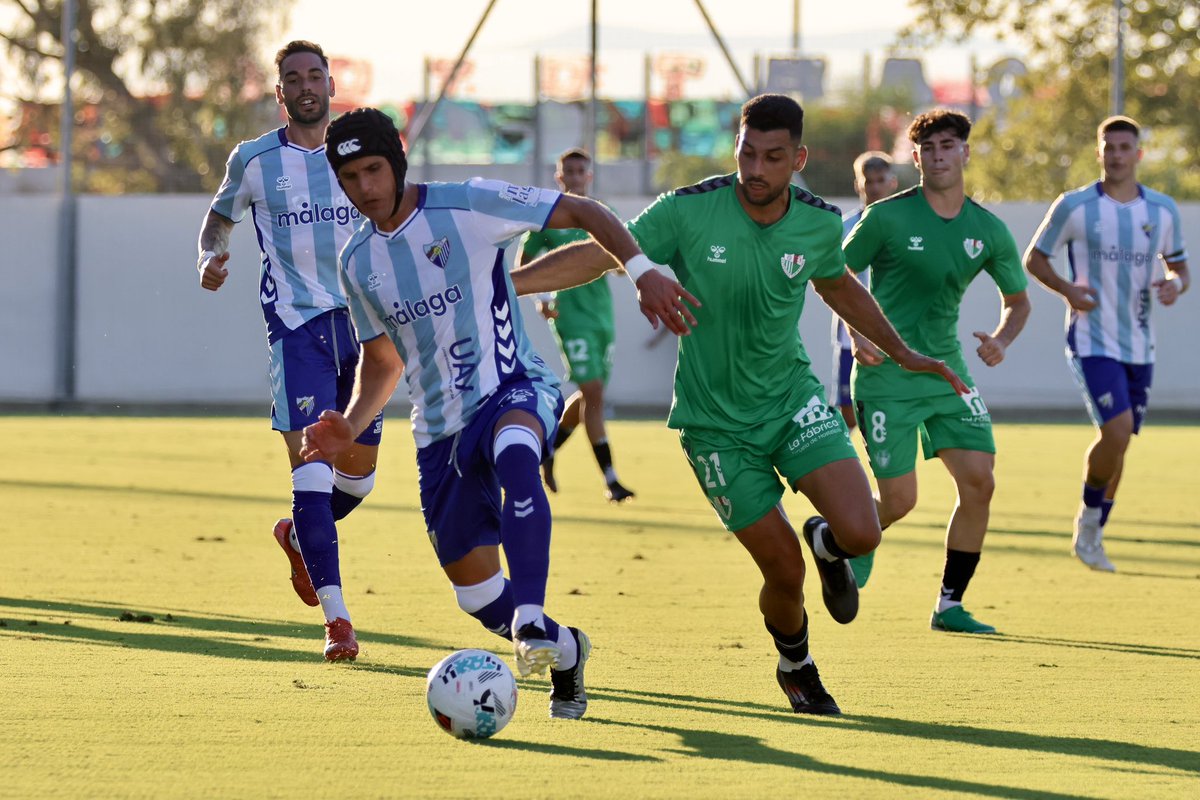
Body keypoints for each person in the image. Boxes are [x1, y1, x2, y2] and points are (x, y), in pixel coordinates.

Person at [512, 94, 968, 715]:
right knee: (784, 572)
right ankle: (797, 665)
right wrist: (507, 284)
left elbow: (839, 287)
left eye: (773, 157)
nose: (756, 169)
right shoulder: (687, 210)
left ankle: (829, 542)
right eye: (747, 154)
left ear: (798, 158)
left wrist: (904, 351)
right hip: (714, 428)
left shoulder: (817, 222)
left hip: (792, 402)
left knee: (862, 532)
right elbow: (601, 254)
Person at [300, 108, 693, 718]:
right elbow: (381, 363)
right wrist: (347, 426)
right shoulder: (357, 264)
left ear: (397, 160)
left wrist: (641, 272)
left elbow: (585, 212)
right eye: (349, 178)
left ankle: (532, 615)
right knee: (477, 593)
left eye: (374, 170)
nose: (365, 188)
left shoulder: (468, 203)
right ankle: (565, 649)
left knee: (516, 451)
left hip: (513, 384)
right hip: (438, 432)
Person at [196, 41, 383, 662]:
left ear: (331, 84)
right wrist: (209, 255)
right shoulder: (253, 160)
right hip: (297, 330)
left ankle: (300, 539)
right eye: (292, 79)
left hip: (365, 329)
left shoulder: (358, 154)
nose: (305, 86)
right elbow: (218, 220)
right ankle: (338, 622)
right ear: (280, 93)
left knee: (357, 483)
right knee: (311, 467)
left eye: (314, 76)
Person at [842, 109, 1031, 634]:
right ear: (916, 157)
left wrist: (1001, 338)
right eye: (927, 148)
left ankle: (949, 605)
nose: (939, 155)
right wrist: (857, 333)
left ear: (965, 152)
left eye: (948, 146)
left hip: (948, 374)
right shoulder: (884, 217)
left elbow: (1018, 301)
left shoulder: (986, 228)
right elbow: (835, 272)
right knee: (900, 501)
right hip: (886, 376)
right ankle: (841, 542)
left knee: (980, 482)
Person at [1024, 115, 1189, 572]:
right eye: (1108, 147)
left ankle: (1093, 532)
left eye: (1124, 148)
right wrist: (1069, 291)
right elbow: (1034, 259)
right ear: (1098, 152)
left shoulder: (1161, 210)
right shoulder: (1075, 206)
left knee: (1120, 444)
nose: (1116, 155)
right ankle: (1089, 522)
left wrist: (1176, 284)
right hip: (1091, 338)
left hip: (1140, 344)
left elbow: (1179, 267)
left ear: (1139, 154)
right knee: (1115, 432)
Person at [520, 148, 635, 502]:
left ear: (589, 176)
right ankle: (611, 479)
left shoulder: (603, 215)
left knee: (589, 394)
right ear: (559, 177)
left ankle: (548, 449)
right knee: (595, 392)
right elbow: (522, 265)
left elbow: (622, 260)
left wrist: (622, 262)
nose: (573, 176)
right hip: (571, 317)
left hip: (602, 316)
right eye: (567, 171)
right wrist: (540, 300)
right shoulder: (550, 219)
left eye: (579, 171)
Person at [828, 152, 899, 431]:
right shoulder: (844, 227)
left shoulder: (904, 226)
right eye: (868, 181)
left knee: (892, 409)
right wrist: (853, 329)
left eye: (881, 180)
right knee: (848, 414)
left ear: (892, 182)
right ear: (858, 185)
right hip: (851, 336)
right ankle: (837, 470)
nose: (875, 187)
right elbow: (832, 281)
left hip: (895, 330)